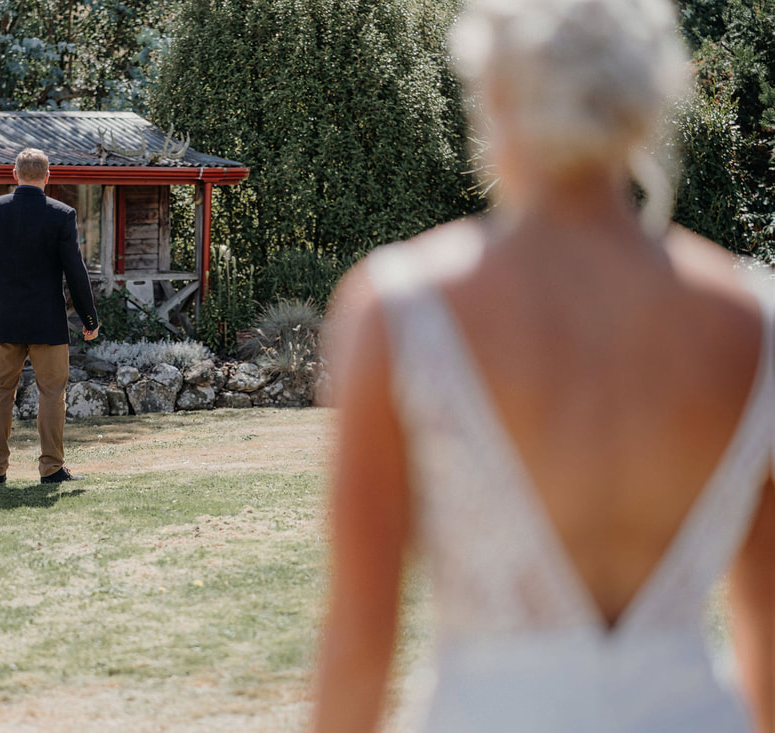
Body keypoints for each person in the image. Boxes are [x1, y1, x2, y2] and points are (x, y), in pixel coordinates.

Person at [312, 0, 774, 731]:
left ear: (494, 93)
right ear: (648, 98)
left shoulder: (403, 308)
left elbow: (361, 638)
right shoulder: (754, 318)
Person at [0, 148, 100, 485]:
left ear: (14, 174)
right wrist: (89, 318)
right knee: (53, 394)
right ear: (47, 176)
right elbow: (75, 269)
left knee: (0, 392)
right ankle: (52, 468)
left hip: (4, 318)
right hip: (47, 320)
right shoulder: (61, 214)